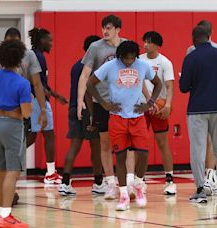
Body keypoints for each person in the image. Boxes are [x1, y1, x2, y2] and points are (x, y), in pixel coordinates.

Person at [87, 40, 162, 211]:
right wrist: (104, 104)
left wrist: (149, 102)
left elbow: (158, 83)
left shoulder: (142, 65)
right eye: (125, 59)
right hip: (117, 117)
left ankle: (138, 184)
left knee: (143, 153)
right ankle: (123, 195)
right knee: (120, 157)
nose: (129, 61)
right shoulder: (110, 66)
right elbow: (90, 84)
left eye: (132, 58)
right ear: (120, 56)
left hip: (137, 116)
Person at [0, 27, 47, 205]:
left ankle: (4, 204)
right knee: (12, 168)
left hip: (0, 118)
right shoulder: (20, 82)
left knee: (1, 168)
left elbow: (38, 83)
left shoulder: (28, 57)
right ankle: (7, 204)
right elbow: (31, 95)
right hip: (14, 118)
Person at [77, 14, 129, 200]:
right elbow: (84, 76)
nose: (105, 31)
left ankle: (129, 183)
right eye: (103, 28)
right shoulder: (95, 48)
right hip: (102, 103)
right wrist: (80, 100)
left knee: (127, 145)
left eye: (109, 28)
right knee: (105, 144)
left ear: (117, 30)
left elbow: (138, 72)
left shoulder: (127, 46)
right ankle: (110, 184)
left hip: (125, 103)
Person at [0, 39, 31, 228]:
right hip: (13, 128)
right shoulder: (22, 83)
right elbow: (26, 113)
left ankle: (1, 214)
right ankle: (6, 216)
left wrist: (0, 109)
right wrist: (13, 110)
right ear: (19, 59)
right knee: (13, 171)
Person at [180, 26, 217, 203]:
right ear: (209, 37)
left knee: (198, 150)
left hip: (197, 109)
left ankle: (201, 190)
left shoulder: (190, 57)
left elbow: (183, 87)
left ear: (193, 39)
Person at [58, 35, 106, 196]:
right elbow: (89, 90)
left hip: (73, 107)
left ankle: (65, 182)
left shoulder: (75, 65)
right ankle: (99, 182)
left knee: (74, 146)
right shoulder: (92, 66)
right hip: (88, 108)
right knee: (96, 145)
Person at [28, 28, 68, 184]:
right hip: (37, 101)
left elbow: (43, 84)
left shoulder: (38, 56)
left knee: (35, 135)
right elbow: (36, 83)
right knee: (46, 135)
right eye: (49, 40)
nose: (51, 43)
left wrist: (57, 96)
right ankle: (50, 173)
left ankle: (10, 160)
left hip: (38, 100)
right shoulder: (37, 57)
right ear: (41, 41)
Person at [140, 31, 176, 195]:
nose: (145, 44)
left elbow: (169, 86)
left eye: (148, 42)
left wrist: (167, 105)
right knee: (139, 145)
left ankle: (169, 179)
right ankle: (140, 180)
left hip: (158, 107)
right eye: (144, 41)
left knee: (162, 143)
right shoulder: (139, 60)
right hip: (141, 106)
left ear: (156, 44)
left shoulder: (165, 62)